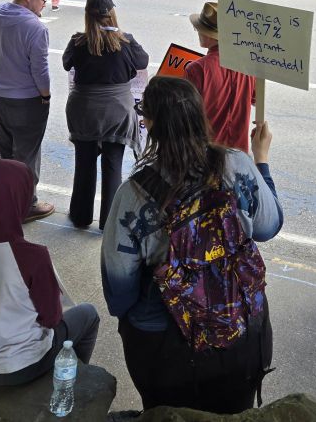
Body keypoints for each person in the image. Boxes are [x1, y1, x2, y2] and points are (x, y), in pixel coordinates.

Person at [101, 76, 282, 413]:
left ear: (150, 124)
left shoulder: (132, 196)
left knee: (168, 416)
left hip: (166, 352)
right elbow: (269, 227)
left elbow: (119, 293)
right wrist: (261, 159)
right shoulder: (237, 164)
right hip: (242, 335)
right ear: (201, 116)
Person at [0, 159, 100, 385]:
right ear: (17, 202)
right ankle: (70, 381)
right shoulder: (31, 256)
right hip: (21, 365)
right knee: (89, 314)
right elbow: (51, 318)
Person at [62, 0, 148, 229]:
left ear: (87, 17)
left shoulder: (78, 41)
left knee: (84, 162)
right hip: (117, 111)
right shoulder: (126, 42)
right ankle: (109, 221)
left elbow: (66, 63)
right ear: (112, 14)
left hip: (84, 110)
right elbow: (143, 61)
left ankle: (81, 216)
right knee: (113, 164)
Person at [0, 0, 55, 223]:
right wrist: (45, 95)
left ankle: (6, 199)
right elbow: (40, 70)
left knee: (5, 151)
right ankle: (26, 204)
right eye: (43, 0)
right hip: (26, 100)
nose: (44, 5)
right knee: (27, 155)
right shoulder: (35, 27)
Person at [184, 1, 255, 152]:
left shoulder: (197, 69)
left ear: (210, 35)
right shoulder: (249, 65)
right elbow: (255, 99)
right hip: (239, 151)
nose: (197, 32)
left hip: (207, 150)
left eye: (199, 29)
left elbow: (187, 114)